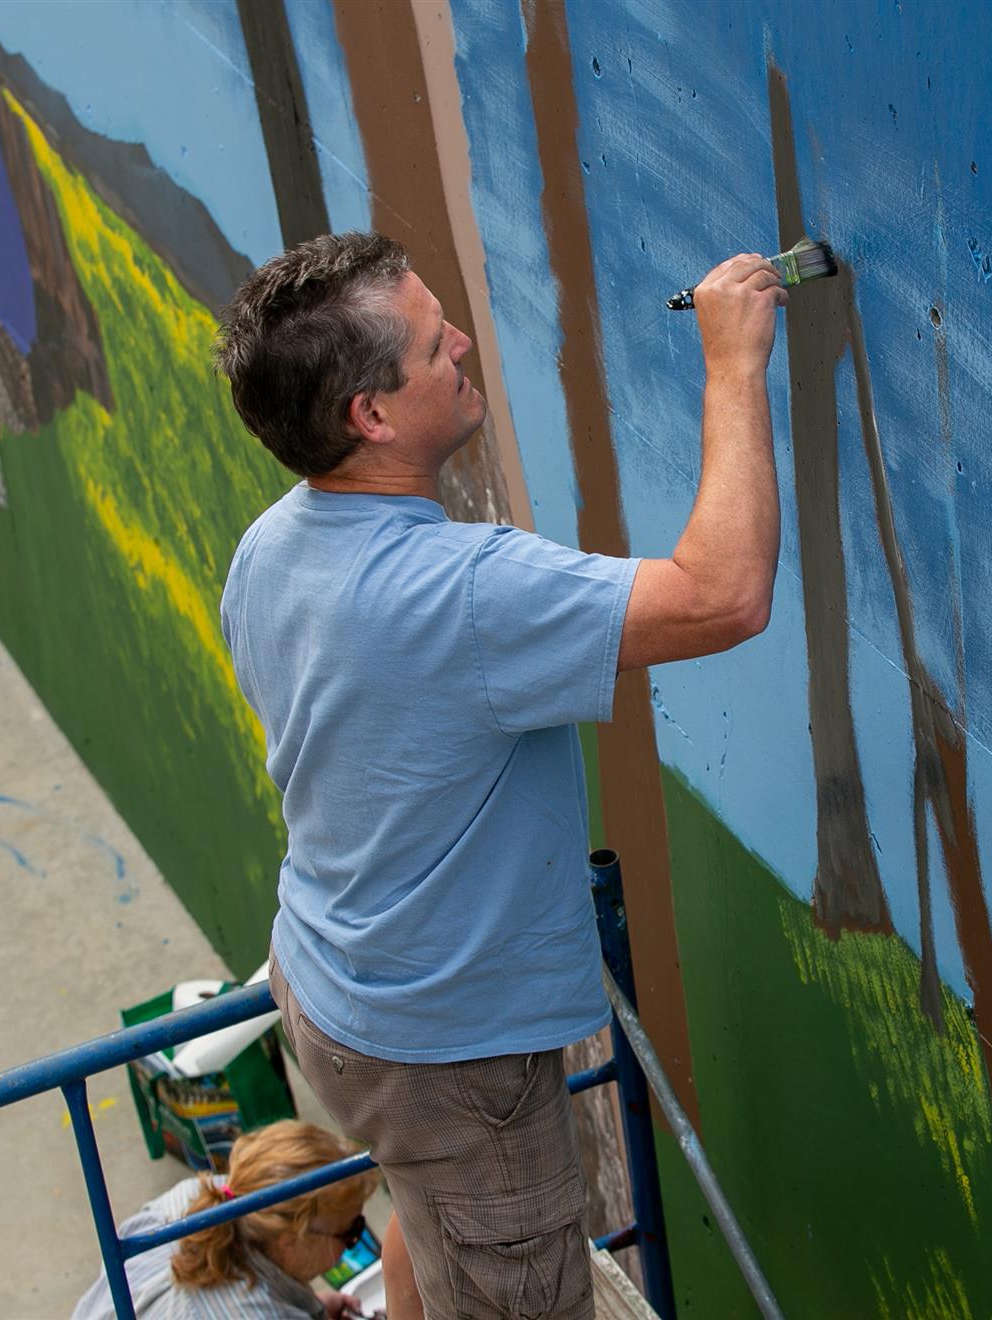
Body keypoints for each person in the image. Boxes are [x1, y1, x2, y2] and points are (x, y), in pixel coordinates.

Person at [213, 232, 784, 1318]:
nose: (463, 343)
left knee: (430, 1221)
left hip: (331, 991)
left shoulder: (271, 549)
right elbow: (725, 595)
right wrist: (733, 366)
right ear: (369, 417)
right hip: (451, 1059)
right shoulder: (462, 591)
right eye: (434, 345)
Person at [73, 1120, 381, 1319]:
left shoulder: (196, 1195)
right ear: (291, 1240)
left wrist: (309, 1309)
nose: (353, 1243)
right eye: (351, 1232)